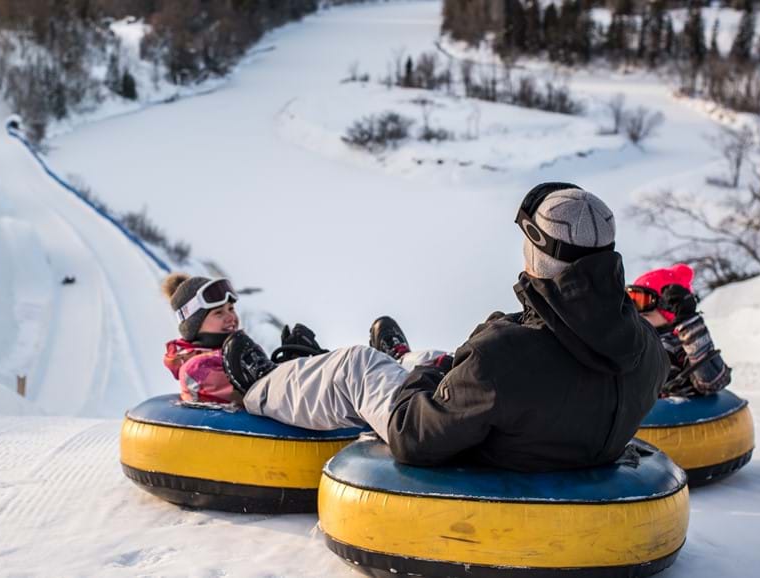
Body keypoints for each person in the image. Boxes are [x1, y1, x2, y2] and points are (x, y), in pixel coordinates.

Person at [221, 182, 668, 472]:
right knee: (439, 361)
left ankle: (261, 386)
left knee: (355, 366)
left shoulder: (502, 355)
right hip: (543, 435)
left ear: (536, 252)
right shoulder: (647, 349)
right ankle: (407, 361)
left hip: (477, 451)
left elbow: (413, 437)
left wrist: (436, 374)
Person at [160, 275, 447, 405]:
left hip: (287, 397)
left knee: (364, 362)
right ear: (194, 325)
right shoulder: (196, 369)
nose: (230, 317)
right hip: (279, 412)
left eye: (231, 309)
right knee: (352, 366)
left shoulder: (229, 354)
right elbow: (256, 392)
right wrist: (288, 367)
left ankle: (407, 366)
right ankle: (397, 372)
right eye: (218, 313)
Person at [626, 264, 732, 398]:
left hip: (672, 413)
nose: (637, 310)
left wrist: (689, 324)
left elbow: (713, 382)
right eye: (632, 300)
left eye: (642, 300)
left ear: (667, 305)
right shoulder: (635, 340)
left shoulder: (682, 345)